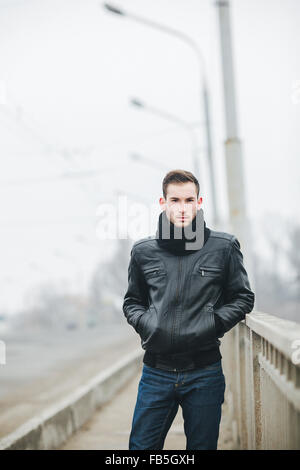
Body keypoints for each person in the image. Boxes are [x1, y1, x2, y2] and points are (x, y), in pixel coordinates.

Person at [123, 169, 255, 450]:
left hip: (204, 371)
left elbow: (243, 298)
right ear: (163, 203)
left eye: (188, 200)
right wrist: (150, 324)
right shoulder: (143, 251)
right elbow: (132, 302)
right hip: (156, 371)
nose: (182, 208)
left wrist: (211, 324)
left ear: (198, 202)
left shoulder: (224, 247)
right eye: (175, 200)